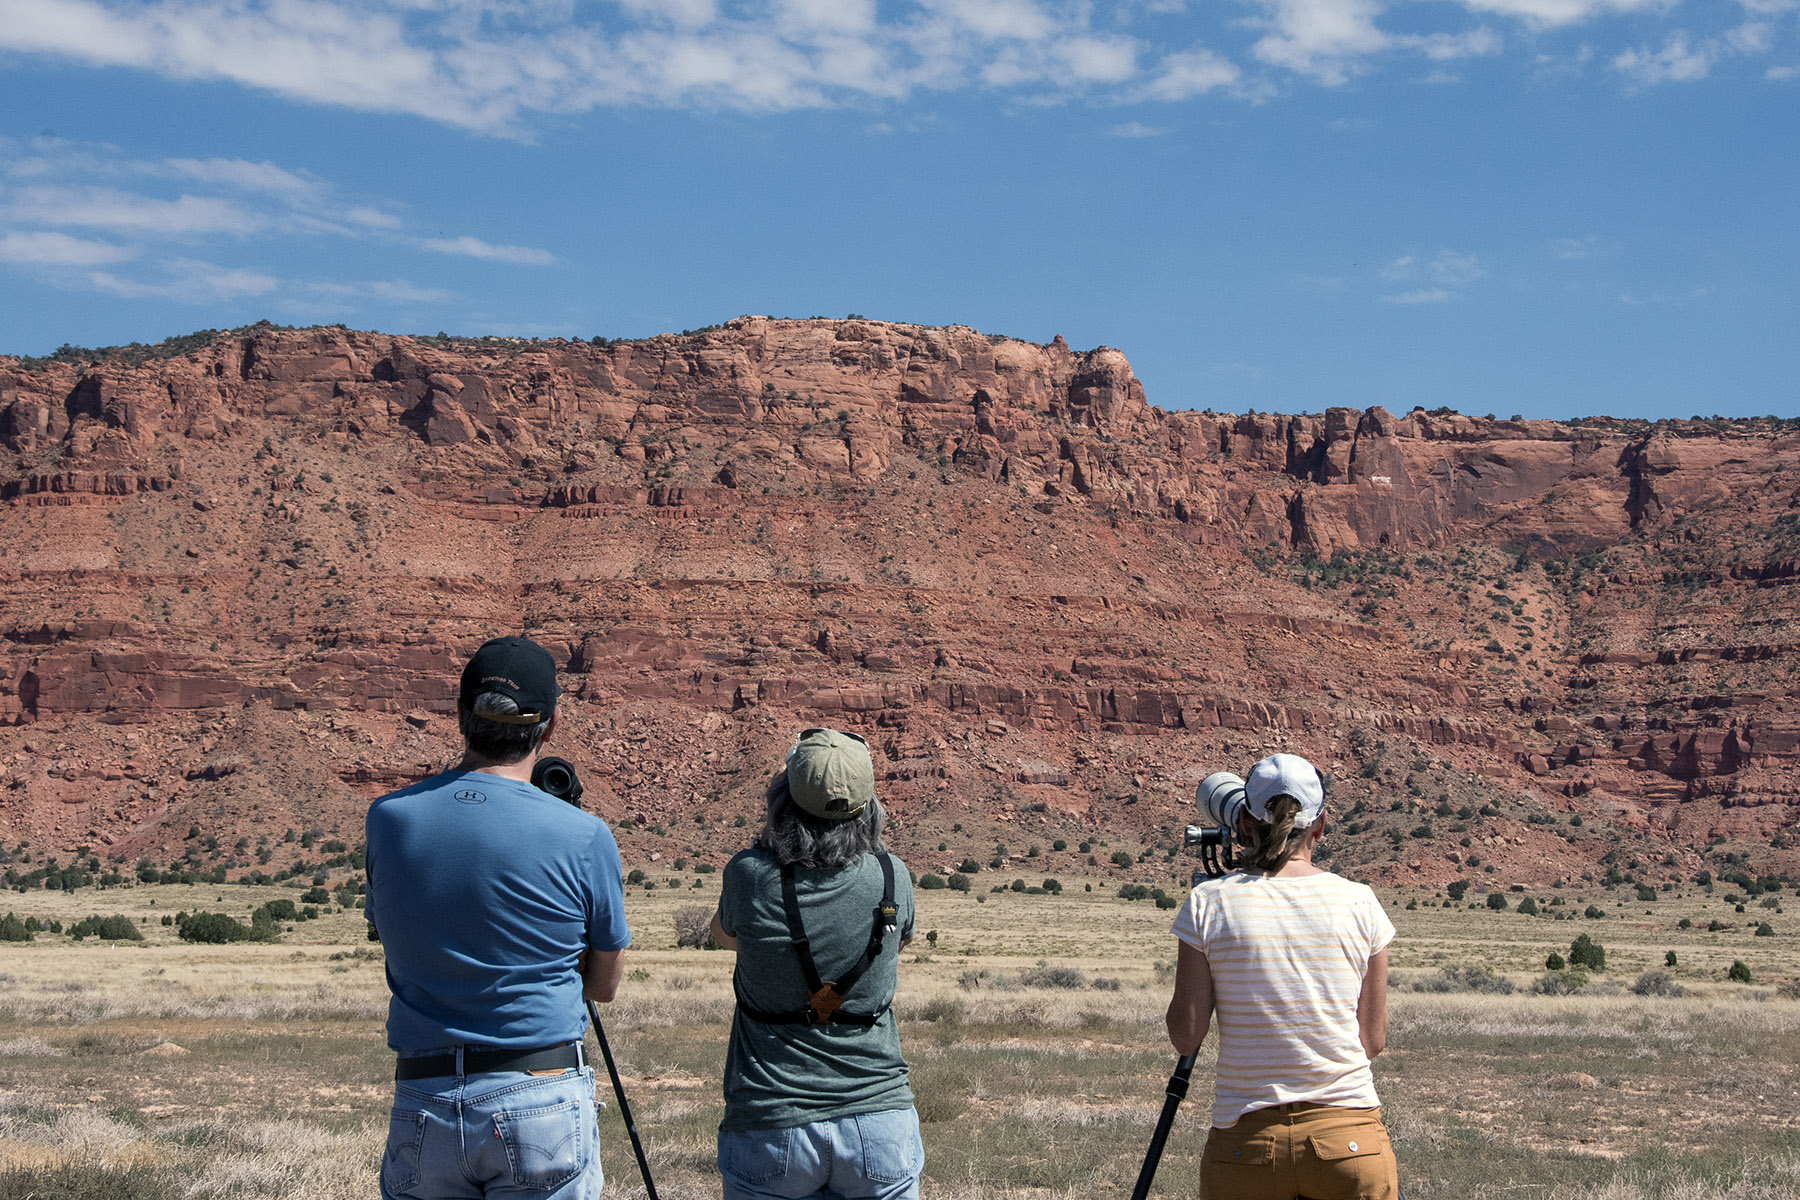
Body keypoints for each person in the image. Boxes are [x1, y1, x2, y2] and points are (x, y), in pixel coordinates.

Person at [366, 636, 630, 1200]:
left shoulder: (389, 820)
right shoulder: (583, 835)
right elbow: (603, 988)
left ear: (460, 715)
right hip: (539, 1090)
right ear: (551, 726)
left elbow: (393, 933)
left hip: (425, 1093)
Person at [1165, 752, 1398, 1200]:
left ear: (1245, 825)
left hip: (1246, 1149)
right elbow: (1371, 1040)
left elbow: (1185, 1037)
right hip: (1350, 1143)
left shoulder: (1209, 903)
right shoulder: (1361, 902)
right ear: (1321, 825)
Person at [708, 727, 924, 1200]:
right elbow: (896, 946)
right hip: (878, 1118)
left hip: (770, 1119)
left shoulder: (747, 875)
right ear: (869, 806)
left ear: (782, 799)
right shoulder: (894, 877)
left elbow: (723, 936)